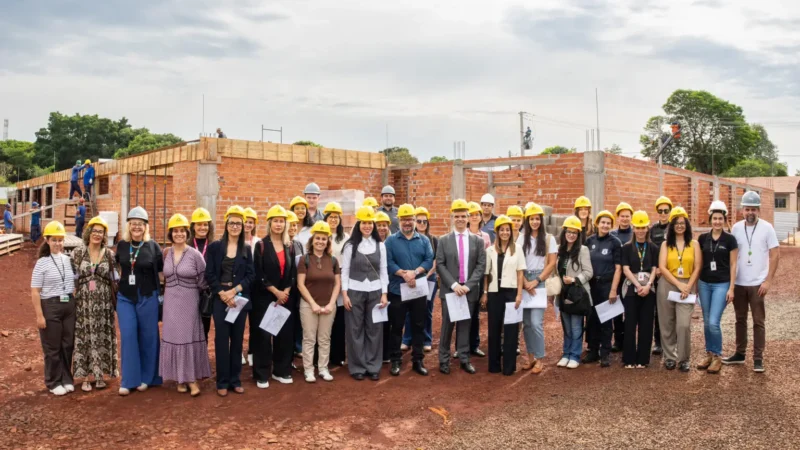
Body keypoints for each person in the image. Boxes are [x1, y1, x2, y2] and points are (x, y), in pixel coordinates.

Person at [724, 191, 779, 373]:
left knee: (758, 321)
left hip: (757, 284)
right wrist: (730, 283)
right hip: (739, 283)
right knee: (740, 320)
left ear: (759, 210)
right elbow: (732, 256)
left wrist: (768, 281)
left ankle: (758, 358)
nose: (750, 212)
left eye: (754, 209)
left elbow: (775, 254)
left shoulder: (767, 228)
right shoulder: (737, 228)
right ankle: (739, 354)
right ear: (742, 210)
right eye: (747, 209)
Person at [205, 205, 255, 396]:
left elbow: (250, 275)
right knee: (221, 340)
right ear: (226, 225)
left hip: (239, 299)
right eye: (232, 223)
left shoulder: (246, 249)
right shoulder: (215, 248)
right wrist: (222, 293)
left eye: (238, 223)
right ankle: (222, 382)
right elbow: (209, 274)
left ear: (243, 227)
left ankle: (235, 379)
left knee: (237, 340)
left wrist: (234, 291)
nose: (235, 226)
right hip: (221, 300)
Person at [159, 214, 211, 397]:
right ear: (170, 233)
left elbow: (205, 278)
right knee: (173, 338)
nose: (179, 234)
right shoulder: (166, 253)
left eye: (182, 231)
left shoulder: (195, 254)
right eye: (175, 231)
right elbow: (161, 276)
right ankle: (180, 379)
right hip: (171, 302)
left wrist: (201, 292)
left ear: (187, 233)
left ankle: (191, 379)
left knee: (187, 338)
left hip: (189, 301)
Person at [115, 206, 164, 396]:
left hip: (148, 296)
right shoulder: (121, 245)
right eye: (133, 223)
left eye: (140, 224)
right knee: (128, 336)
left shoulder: (153, 247)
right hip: (125, 297)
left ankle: (148, 377)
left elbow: (161, 274)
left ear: (145, 227)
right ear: (129, 226)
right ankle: (129, 380)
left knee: (149, 337)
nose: (137, 227)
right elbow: (118, 268)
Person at [436, 199, 487, 375]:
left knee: (465, 325)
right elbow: (440, 265)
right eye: (456, 216)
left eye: (463, 216)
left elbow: (481, 265)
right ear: (452, 218)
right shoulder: (443, 240)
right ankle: (443, 360)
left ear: (468, 218)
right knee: (447, 327)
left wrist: (469, 286)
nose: (459, 219)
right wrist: (454, 284)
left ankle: (464, 359)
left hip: (469, 291)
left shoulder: (477, 241)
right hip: (451, 290)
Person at [385, 203, 434, 376]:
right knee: (396, 326)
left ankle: (418, 360)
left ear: (414, 220)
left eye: (410, 219)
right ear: (399, 221)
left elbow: (429, 260)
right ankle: (396, 361)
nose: (408, 222)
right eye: (404, 219)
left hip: (418, 290)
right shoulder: (390, 241)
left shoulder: (424, 240)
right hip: (397, 290)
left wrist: (415, 272)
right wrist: (403, 274)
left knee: (418, 325)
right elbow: (389, 262)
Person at [70, 216, 118, 392]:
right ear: (88, 232)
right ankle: (85, 376)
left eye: (101, 231)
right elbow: (71, 278)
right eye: (94, 231)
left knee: (101, 335)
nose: (97, 234)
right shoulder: (78, 253)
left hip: (104, 304)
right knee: (84, 336)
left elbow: (116, 279)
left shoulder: (110, 255)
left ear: (105, 235)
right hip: (83, 303)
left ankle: (100, 375)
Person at [251, 205, 296, 387]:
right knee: (263, 336)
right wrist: (275, 291)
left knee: (284, 335)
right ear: (270, 223)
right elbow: (258, 273)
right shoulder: (261, 245)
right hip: (265, 297)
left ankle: (281, 370)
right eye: (276, 221)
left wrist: (285, 291)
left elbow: (292, 271)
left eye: (282, 221)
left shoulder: (289, 245)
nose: (279, 224)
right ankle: (262, 373)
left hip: (285, 298)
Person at [342, 207, 389, 380]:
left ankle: (373, 366)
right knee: (355, 329)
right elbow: (344, 271)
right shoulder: (350, 246)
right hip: (355, 290)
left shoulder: (380, 246)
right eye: (364, 223)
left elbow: (384, 271)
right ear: (358, 224)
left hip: (375, 291)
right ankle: (357, 367)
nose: (367, 226)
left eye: (370, 223)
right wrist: (345, 294)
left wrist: (384, 293)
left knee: (374, 329)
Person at [31, 221, 76, 396]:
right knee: (52, 346)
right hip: (50, 306)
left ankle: (66, 378)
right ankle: (53, 381)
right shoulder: (42, 263)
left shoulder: (68, 260)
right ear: (47, 241)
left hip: (68, 305)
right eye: (54, 240)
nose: (58, 243)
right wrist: (39, 316)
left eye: (60, 240)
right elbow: (35, 290)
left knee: (67, 344)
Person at [657, 206, 701, 373]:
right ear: (672, 225)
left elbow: (697, 267)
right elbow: (662, 266)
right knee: (667, 322)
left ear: (687, 225)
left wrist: (688, 286)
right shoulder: (665, 245)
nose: (680, 226)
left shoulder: (694, 244)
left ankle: (683, 358)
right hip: (668, 284)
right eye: (676, 223)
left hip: (687, 285)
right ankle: (669, 357)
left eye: (683, 223)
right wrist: (678, 283)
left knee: (683, 324)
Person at [696, 201, 737, 374]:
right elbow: (699, 263)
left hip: (722, 284)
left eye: (720, 218)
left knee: (714, 322)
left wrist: (732, 288)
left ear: (724, 220)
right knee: (706, 322)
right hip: (704, 283)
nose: (717, 222)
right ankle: (709, 354)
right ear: (710, 219)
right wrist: (696, 286)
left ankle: (718, 356)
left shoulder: (730, 239)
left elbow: (734, 264)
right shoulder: (702, 239)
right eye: (715, 218)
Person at [297, 221, 341, 383]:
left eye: (324, 239)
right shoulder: (305, 259)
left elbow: (337, 284)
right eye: (318, 238)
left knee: (324, 338)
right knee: (309, 338)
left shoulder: (334, 260)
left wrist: (331, 304)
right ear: (312, 240)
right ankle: (309, 370)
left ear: (328, 241)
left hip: (329, 305)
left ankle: (323, 368)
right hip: (309, 305)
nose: (320, 242)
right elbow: (300, 284)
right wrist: (313, 304)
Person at [482, 216, 525, 375]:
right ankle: (493, 365)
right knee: (494, 329)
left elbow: (520, 273)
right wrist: (485, 293)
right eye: (502, 230)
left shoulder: (518, 249)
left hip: (511, 292)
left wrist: (519, 294)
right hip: (494, 293)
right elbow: (486, 274)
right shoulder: (490, 250)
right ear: (497, 231)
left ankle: (509, 367)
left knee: (511, 329)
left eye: (508, 229)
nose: (505, 232)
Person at [517, 203, 557, 374]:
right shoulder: (521, 238)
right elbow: (517, 261)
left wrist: (537, 280)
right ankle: (531, 358)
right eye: (531, 219)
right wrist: (525, 281)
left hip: (539, 282)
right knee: (526, 324)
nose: (535, 222)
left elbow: (552, 263)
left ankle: (540, 358)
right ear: (527, 220)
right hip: (524, 280)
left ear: (541, 220)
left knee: (536, 323)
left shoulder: (549, 239)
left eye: (537, 219)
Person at [583, 210, 622, 367]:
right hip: (591, 285)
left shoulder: (615, 242)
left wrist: (613, 290)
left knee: (606, 319)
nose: (605, 225)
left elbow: (618, 268)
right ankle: (593, 350)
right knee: (591, 319)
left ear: (611, 225)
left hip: (607, 284)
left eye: (608, 223)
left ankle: (605, 353)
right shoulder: (589, 241)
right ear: (597, 223)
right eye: (602, 222)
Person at [620, 211, 659, 369]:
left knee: (646, 323)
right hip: (631, 289)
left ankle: (643, 359)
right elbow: (625, 269)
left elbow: (655, 268)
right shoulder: (627, 247)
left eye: (643, 227)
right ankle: (629, 359)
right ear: (633, 228)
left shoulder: (653, 247)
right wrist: (637, 285)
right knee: (630, 323)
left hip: (649, 290)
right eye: (638, 227)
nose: (641, 231)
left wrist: (648, 285)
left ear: (647, 228)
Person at [556, 216, 593, 369]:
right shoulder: (560, 250)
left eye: (574, 232)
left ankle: (575, 355)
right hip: (563, 293)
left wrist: (574, 280)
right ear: (564, 232)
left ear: (578, 235)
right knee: (566, 326)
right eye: (569, 232)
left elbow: (589, 272)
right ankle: (566, 353)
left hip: (577, 293)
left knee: (576, 326)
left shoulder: (582, 250)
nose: (571, 235)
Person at [401, 207, 437, 353]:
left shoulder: (433, 239)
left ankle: (426, 339)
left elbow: (434, 262)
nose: (422, 223)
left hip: (428, 279)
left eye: (424, 221)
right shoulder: (408, 238)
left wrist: (424, 276)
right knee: (410, 310)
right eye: (419, 220)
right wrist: (412, 276)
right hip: (411, 279)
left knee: (426, 309)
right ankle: (407, 339)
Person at [463, 201, 490, 358]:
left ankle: (474, 345)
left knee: (475, 315)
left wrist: (485, 288)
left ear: (481, 217)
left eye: (476, 214)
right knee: (462, 313)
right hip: (463, 279)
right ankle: (461, 347)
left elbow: (486, 262)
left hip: (478, 279)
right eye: (471, 215)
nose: (474, 217)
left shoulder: (485, 237)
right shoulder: (462, 234)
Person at [324, 202, 349, 367]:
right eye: (330, 217)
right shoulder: (320, 235)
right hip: (325, 281)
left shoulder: (346, 238)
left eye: (336, 217)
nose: (333, 220)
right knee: (325, 320)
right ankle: (323, 356)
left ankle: (338, 355)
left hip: (341, 280)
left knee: (339, 320)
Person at [649, 196, 672, 355]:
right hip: (656, 275)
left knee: (671, 309)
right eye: (660, 211)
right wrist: (655, 269)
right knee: (657, 309)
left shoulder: (675, 227)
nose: (663, 213)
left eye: (666, 210)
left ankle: (670, 341)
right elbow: (651, 252)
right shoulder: (653, 230)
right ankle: (658, 341)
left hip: (671, 274)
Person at [609, 202, 634, 351]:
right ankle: (618, 340)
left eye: (627, 216)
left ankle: (628, 340)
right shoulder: (612, 235)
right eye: (622, 216)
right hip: (617, 278)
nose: (625, 219)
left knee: (630, 312)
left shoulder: (635, 233)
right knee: (616, 312)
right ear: (617, 218)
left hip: (631, 279)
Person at [189, 207, 215, 340]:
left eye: (205, 224)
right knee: (189, 328)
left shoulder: (214, 245)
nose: (202, 227)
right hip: (188, 293)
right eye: (199, 224)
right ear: (193, 226)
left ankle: (201, 359)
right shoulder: (186, 244)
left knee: (204, 329)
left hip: (206, 294)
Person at [242, 207, 261, 366]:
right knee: (238, 321)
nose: (247, 225)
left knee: (255, 321)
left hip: (256, 287)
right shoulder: (235, 241)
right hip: (241, 287)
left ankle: (253, 351)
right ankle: (238, 351)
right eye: (245, 222)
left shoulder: (258, 242)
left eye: (250, 222)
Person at [375, 210, 393, 363]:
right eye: (379, 225)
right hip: (373, 287)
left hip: (389, 287)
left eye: (384, 225)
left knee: (387, 320)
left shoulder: (391, 242)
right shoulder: (369, 243)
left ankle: (386, 353)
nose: (382, 228)